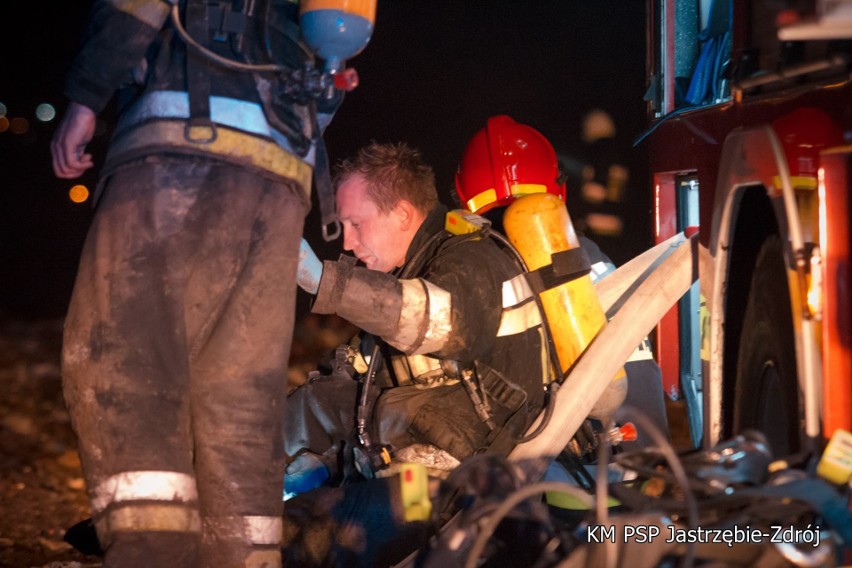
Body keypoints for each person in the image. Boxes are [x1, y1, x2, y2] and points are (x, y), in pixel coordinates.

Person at [50, 2, 351, 566]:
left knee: (122, 362)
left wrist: (87, 97)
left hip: (179, 143)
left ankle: (151, 553)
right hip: (284, 179)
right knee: (242, 399)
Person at [283, 141, 547, 565]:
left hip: (439, 491)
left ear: (403, 213)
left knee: (296, 536)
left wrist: (325, 282)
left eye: (355, 223)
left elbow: (444, 320)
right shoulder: (413, 272)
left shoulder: (471, 256)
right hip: (403, 477)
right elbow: (349, 387)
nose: (348, 243)